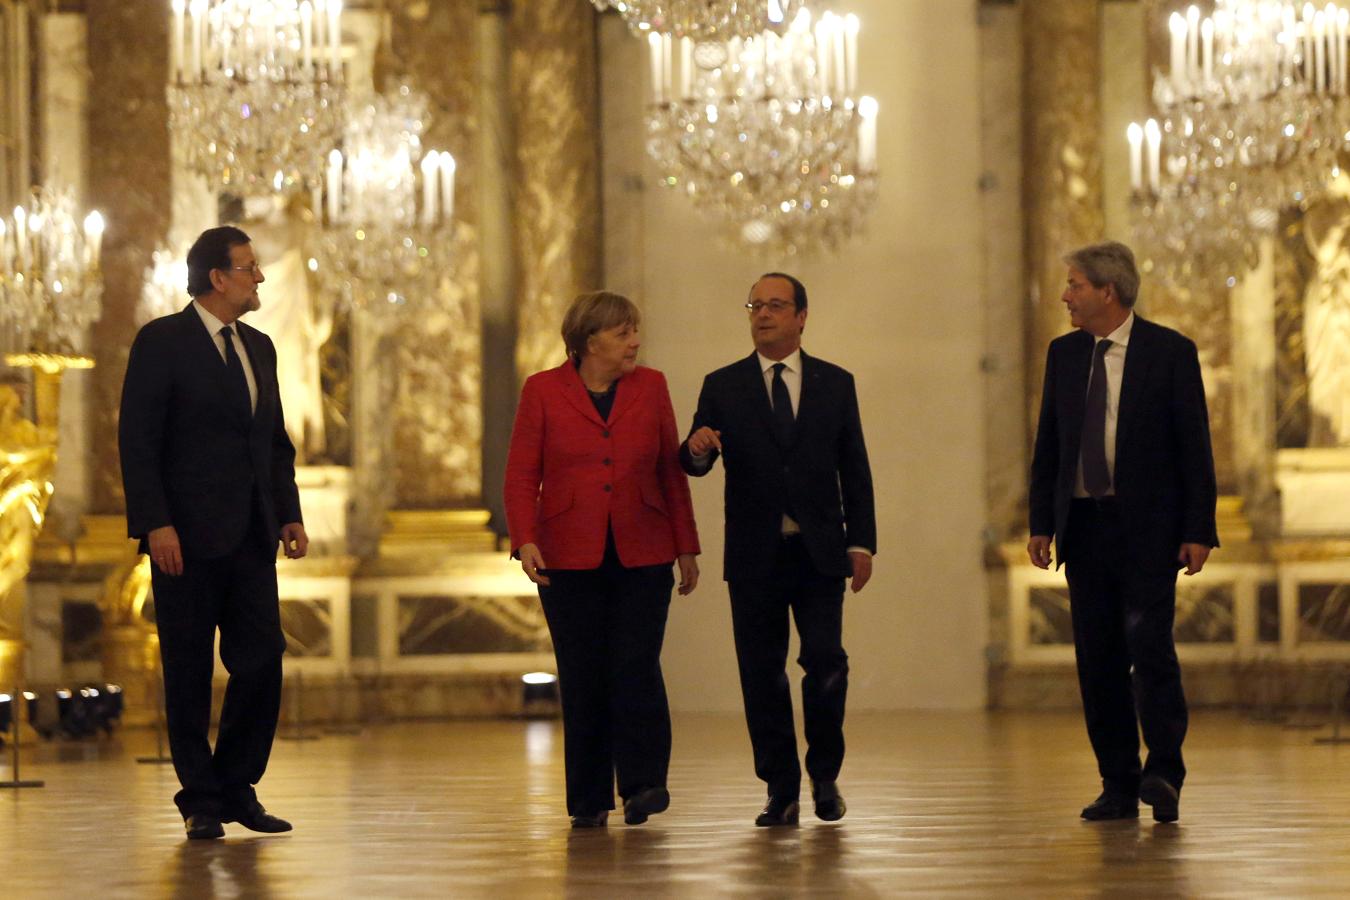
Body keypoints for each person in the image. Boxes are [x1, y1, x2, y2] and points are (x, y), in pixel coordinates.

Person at [119, 225, 309, 840]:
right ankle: (200, 798)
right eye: (249, 268)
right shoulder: (162, 342)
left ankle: (235, 784)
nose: (260, 278)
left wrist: (289, 511)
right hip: (185, 539)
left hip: (253, 534)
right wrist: (155, 523)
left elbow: (273, 442)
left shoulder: (260, 347)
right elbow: (138, 442)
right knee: (188, 670)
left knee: (263, 661)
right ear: (217, 279)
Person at [1027, 240, 1218, 825]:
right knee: (1098, 659)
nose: (1066, 295)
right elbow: (1050, 446)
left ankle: (1163, 772)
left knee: (1150, 650)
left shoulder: (1168, 352)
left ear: (1108, 291)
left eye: (1075, 285)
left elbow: (1194, 446)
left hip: (1149, 530)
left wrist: (1198, 529)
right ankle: (1117, 780)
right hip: (1084, 528)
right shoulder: (1063, 355)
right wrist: (1041, 522)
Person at [680, 272, 876, 827]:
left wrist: (861, 542)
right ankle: (780, 788)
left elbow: (854, 469)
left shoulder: (836, 383)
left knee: (826, 664)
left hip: (819, 552)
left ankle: (825, 774)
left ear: (801, 316)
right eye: (755, 305)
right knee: (761, 673)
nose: (763, 314)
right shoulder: (723, 385)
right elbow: (696, 457)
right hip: (754, 555)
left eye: (775, 305)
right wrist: (694, 449)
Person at [504, 290, 701, 829]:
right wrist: (524, 539)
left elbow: (669, 471)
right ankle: (588, 799)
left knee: (636, 664)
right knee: (584, 673)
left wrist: (686, 545)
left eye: (635, 330)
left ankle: (643, 784)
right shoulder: (542, 391)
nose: (635, 341)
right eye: (623, 333)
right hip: (567, 555)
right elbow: (522, 473)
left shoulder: (652, 386)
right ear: (590, 340)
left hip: (644, 548)